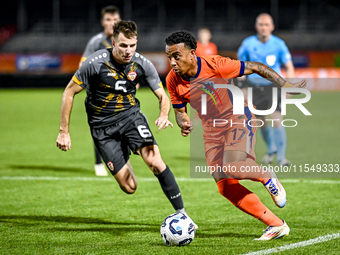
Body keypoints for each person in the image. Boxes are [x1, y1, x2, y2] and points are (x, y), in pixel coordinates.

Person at [165, 30, 306, 240]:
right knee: (225, 185)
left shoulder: (216, 64)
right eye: (169, 57)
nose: (172, 62)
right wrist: (183, 122)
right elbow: (179, 110)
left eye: (176, 56)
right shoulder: (172, 80)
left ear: (192, 54)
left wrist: (285, 85)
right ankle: (276, 225)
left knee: (233, 166)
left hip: (238, 117)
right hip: (211, 131)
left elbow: (256, 67)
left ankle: (268, 177)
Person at [56, 21, 197, 225]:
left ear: (136, 42)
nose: (128, 51)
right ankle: (124, 148)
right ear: (113, 43)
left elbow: (162, 96)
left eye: (132, 45)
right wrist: (63, 131)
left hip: (130, 118)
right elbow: (69, 92)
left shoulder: (142, 64)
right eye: (123, 45)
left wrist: (164, 114)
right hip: (102, 128)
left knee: (155, 161)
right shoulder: (95, 63)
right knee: (129, 187)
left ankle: (183, 214)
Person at [237, 13, 295, 166]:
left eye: (266, 25)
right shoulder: (247, 44)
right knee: (261, 122)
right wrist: (242, 88)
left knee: (277, 120)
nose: (264, 28)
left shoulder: (279, 44)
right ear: (257, 26)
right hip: (254, 88)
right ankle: (271, 150)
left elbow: (289, 66)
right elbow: (241, 68)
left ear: (272, 27)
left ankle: (282, 158)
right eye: (261, 24)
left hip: (274, 86)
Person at [79, 5, 121, 176]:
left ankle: (115, 159)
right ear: (103, 22)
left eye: (116, 19)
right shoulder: (96, 42)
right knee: (101, 128)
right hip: (99, 93)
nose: (112, 23)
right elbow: (83, 65)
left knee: (119, 127)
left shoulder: (123, 41)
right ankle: (99, 162)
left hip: (119, 93)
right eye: (109, 19)